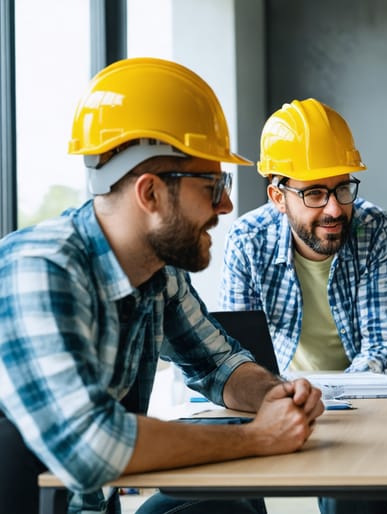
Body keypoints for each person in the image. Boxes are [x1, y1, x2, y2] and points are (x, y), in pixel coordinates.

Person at [0, 57, 324, 514]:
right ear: (150, 193)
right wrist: (258, 437)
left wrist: (275, 396)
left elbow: (219, 365)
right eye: (213, 186)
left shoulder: (158, 272)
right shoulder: (39, 269)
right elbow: (89, 447)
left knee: (228, 505)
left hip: (95, 506)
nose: (227, 205)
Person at [219, 98, 387, 376]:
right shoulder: (247, 239)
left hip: (359, 390)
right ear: (278, 197)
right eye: (314, 193)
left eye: (342, 189)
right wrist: (277, 393)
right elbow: (238, 354)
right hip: (280, 387)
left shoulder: (372, 227)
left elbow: (380, 344)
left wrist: (340, 392)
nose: (334, 209)